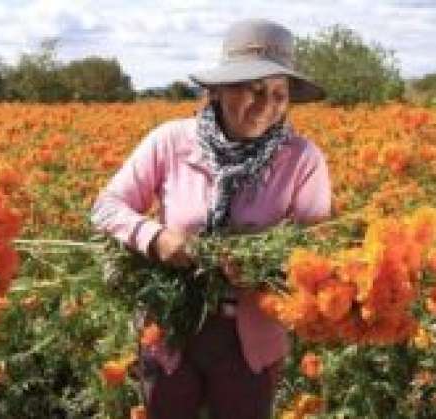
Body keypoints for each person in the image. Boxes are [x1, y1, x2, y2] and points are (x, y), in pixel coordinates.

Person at [91, 19, 331, 419]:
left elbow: (318, 250)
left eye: (278, 95)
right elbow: (107, 206)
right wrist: (155, 237)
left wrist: (266, 268)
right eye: (253, 89)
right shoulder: (170, 141)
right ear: (217, 91)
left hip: (251, 338)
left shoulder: (302, 159)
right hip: (170, 329)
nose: (265, 107)